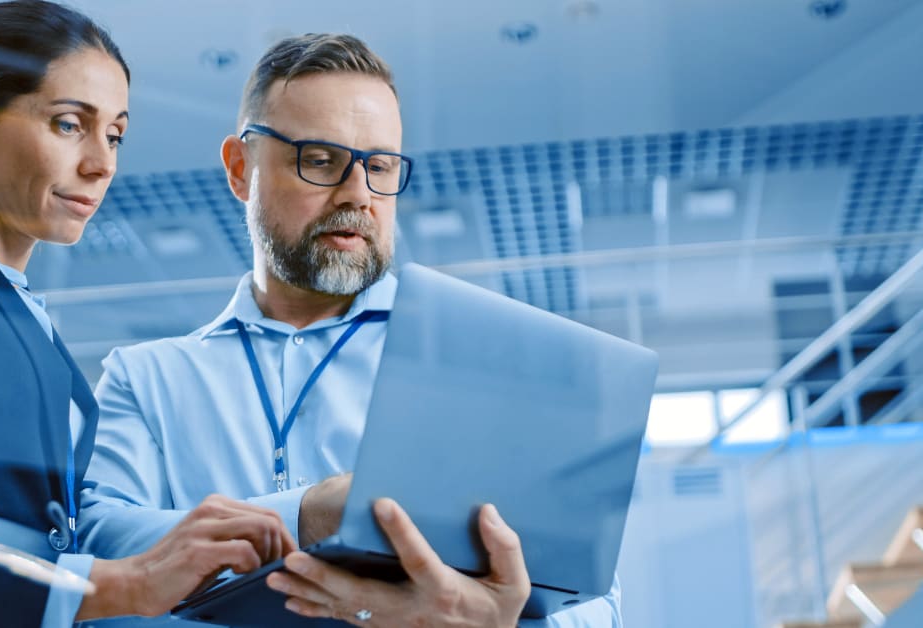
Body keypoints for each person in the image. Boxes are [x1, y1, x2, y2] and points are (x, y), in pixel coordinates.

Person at [79, 33, 620, 626]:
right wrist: (306, 514)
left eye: (380, 165)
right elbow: (98, 544)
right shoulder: (148, 377)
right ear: (240, 169)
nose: (359, 195)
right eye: (320, 159)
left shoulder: (483, 362)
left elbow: (597, 602)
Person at [0, 2, 296, 627]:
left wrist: (174, 551)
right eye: (67, 125)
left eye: (114, 134)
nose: (102, 163)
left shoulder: (35, 327)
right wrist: (106, 587)